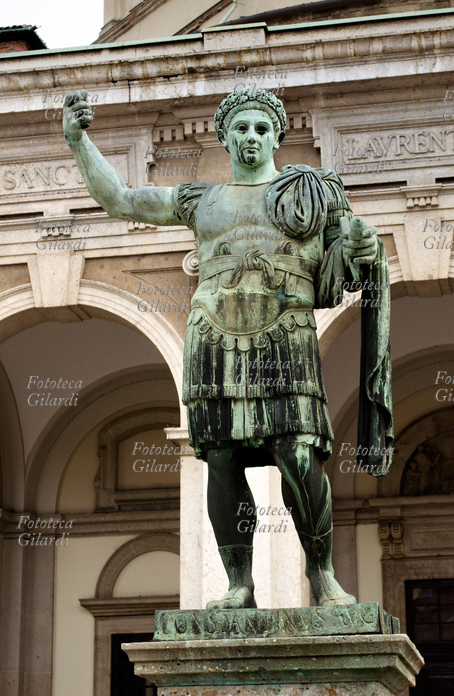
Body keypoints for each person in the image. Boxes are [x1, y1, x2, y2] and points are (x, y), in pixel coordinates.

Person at [63, 88, 393, 609]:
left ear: (277, 137)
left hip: (285, 336)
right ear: (225, 137)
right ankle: (239, 584)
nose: (251, 138)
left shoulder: (308, 196)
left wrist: (364, 251)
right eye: (240, 128)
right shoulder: (201, 201)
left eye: (261, 129)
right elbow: (120, 200)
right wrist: (79, 142)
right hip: (213, 339)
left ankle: (322, 576)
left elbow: (344, 269)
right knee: (221, 458)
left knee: (298, 453)